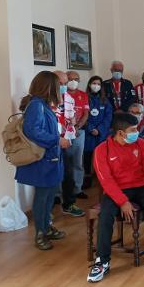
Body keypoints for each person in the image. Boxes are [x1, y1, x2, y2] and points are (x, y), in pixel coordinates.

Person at [87, 113, 144, 282]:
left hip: (141, 186)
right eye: (133, 130)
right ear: (121, 133)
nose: (136, 132)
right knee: (106, 215)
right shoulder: (102, 150)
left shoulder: (141, 144)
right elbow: (105, 180)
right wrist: (123, 202)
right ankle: (102, 261)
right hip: (116, 189)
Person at [16, 71, 68, 250]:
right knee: (42, 197)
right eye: (58, 84)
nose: (61, 87)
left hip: (51, 158)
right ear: (49, 86)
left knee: (49, 196)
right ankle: (40, 233)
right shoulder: (36, 105)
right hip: (43, 160)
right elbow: (34, 131)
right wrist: (57, 140)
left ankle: (47, 227)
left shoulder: (43, 104)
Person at [53, 71, 84, 217]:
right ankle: (51, 203)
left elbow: (71, 119)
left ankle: (69, 203)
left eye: (65, 84)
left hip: (65, 142)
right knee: (49, 175)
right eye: (61, 84)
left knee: (69, 173)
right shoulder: (46, 100)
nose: (64, 87)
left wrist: (71, 126)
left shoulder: (69, 98)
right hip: (50, 143)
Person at [83, 76, 113, 188]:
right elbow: (81, 115)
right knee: (87, 157)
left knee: (102, 157)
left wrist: (99, 130)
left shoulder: (105, 101)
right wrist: (90, 128)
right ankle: (87, 177)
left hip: (101, 134)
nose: (96, 86)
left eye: (99, 84)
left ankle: (103, 178)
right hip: (88, 133)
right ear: (90, 84)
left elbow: (108, 117)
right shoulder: (84, 98)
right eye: (94, 83)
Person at [65, 71, 90, 199]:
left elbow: (86, 113)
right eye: (70, 79)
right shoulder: (61, 94)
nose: (73, 81)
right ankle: (59, 193)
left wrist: (78, 126)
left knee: (77, 162)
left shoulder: (83, 95)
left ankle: (77, 189)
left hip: (79, 132)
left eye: (76, 79)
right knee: (63, 162)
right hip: (63, 133)